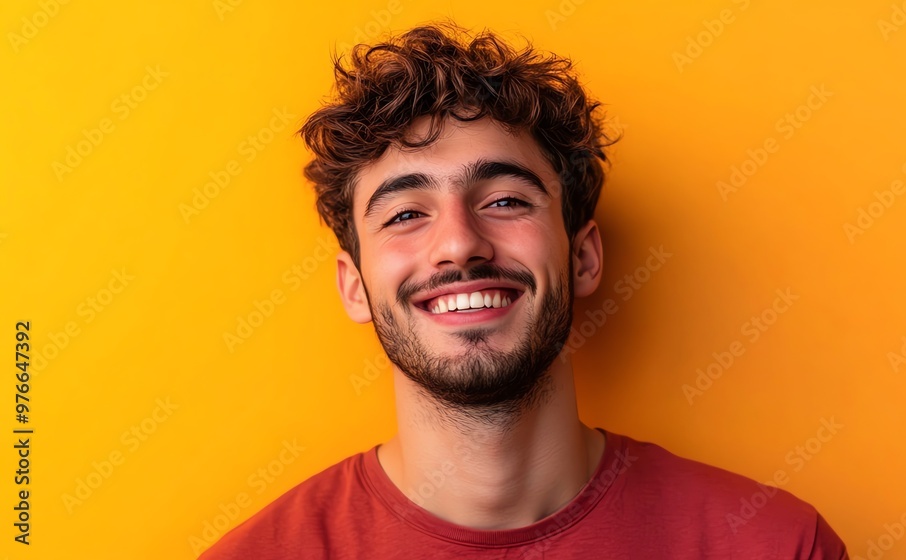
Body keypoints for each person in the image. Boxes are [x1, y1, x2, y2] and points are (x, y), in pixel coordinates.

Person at [200, 22, 849, 559]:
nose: (459, 244)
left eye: (506, 200)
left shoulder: (774, 546)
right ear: (355, 288)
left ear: (585, 256)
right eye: (405, 214)